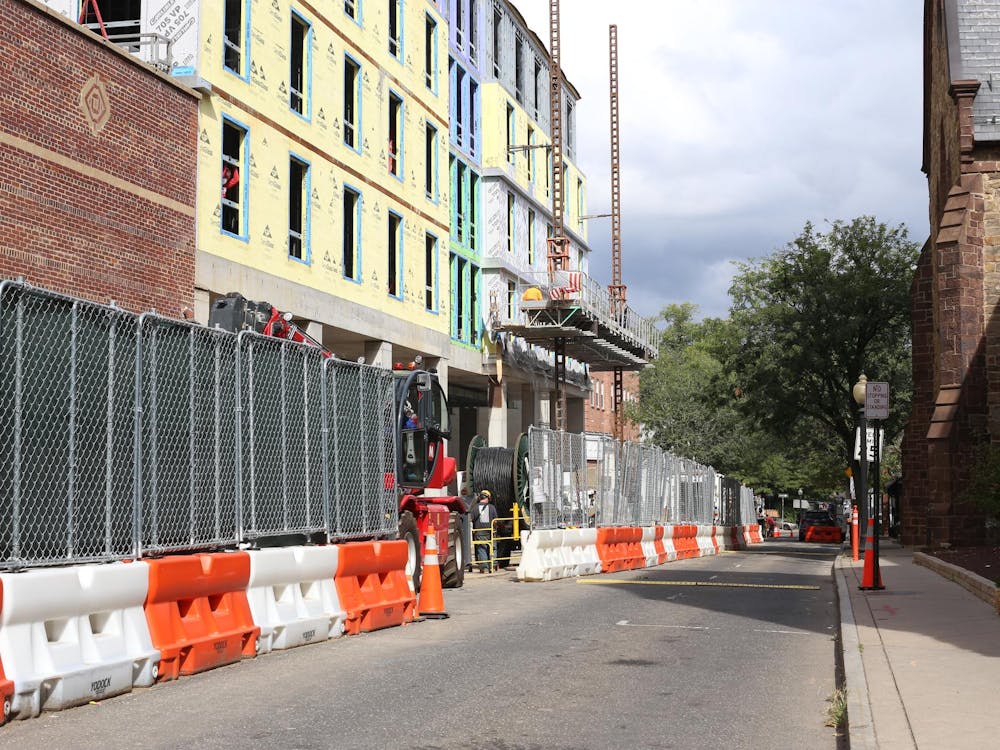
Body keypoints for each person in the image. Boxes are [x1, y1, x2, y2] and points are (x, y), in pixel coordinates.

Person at [472, 489, 498, 572]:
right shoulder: (492, 507)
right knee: (492, 548)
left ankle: (485, 567)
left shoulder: (475, 507)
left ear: (480, 497)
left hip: (479, 531)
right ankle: (493, 566)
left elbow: (471, 519)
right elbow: (496, 520)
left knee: (482, 549)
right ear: (488, 498)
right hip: (490, 531)